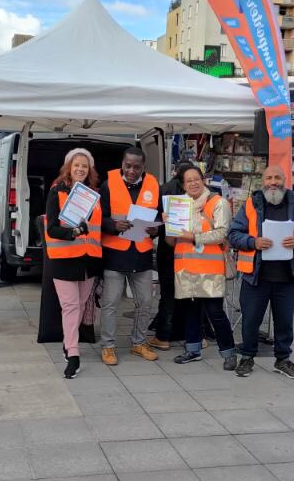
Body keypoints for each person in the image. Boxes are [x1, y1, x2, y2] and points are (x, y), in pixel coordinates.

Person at [228, 166, 294, 380]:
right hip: (255, 276)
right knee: (250, 320)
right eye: (268, 177)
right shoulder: (251, 204)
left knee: (285, 322)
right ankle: (247, 357)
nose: (273, 182)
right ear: (263, 181)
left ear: (285, 180)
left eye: (277, 177)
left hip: (287, 276)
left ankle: (283, 360)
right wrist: (253, 242)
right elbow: (233, 234)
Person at [166, 166, 236, 368]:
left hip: (210, 269)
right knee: (191, 312)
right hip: (186, 268)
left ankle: (229, 353)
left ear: (203, 179)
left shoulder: (218, 202)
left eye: (196, 179)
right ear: (183, 185)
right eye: (188, 181)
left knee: (215, 313)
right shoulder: (179, 205)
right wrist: (169, 225)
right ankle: (193, 349)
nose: (193, 183)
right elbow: (171, 242)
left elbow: (221, 234)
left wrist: (193, 236)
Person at [43, 149, 103, 379]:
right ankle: (74, 355)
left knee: (79, 304)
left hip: (89, 259)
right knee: (70, 306)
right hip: (64, 259)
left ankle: (68, 343)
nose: (80, 169)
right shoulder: (56, 191)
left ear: (90, 170)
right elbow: (52, 229)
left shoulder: (93, 195)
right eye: (76, 165)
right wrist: (74, 231)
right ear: (68, 167)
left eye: (84, 166)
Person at [98, 147, 160, 365]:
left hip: (141, 254)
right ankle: (108, 347)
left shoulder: (153, 185)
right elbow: (98, 218)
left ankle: (138, 343)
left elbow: (159, 217)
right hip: (115, 254)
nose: (132, 171)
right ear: (122, 164)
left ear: (144, 167)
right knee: (110, 304)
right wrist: (113, 225)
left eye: (137, 167)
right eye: (128, 166)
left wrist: (156, 230)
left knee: (145, 303)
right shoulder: (108, 185)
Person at [149, 161, 195, 351]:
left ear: (175, 172)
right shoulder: (197, 193)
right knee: (190, 293)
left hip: (167, 249)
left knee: (167, 293)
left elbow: (155, 219)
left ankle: (163, 337)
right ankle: (194, 336)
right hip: (189, 249)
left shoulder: (162, 190)